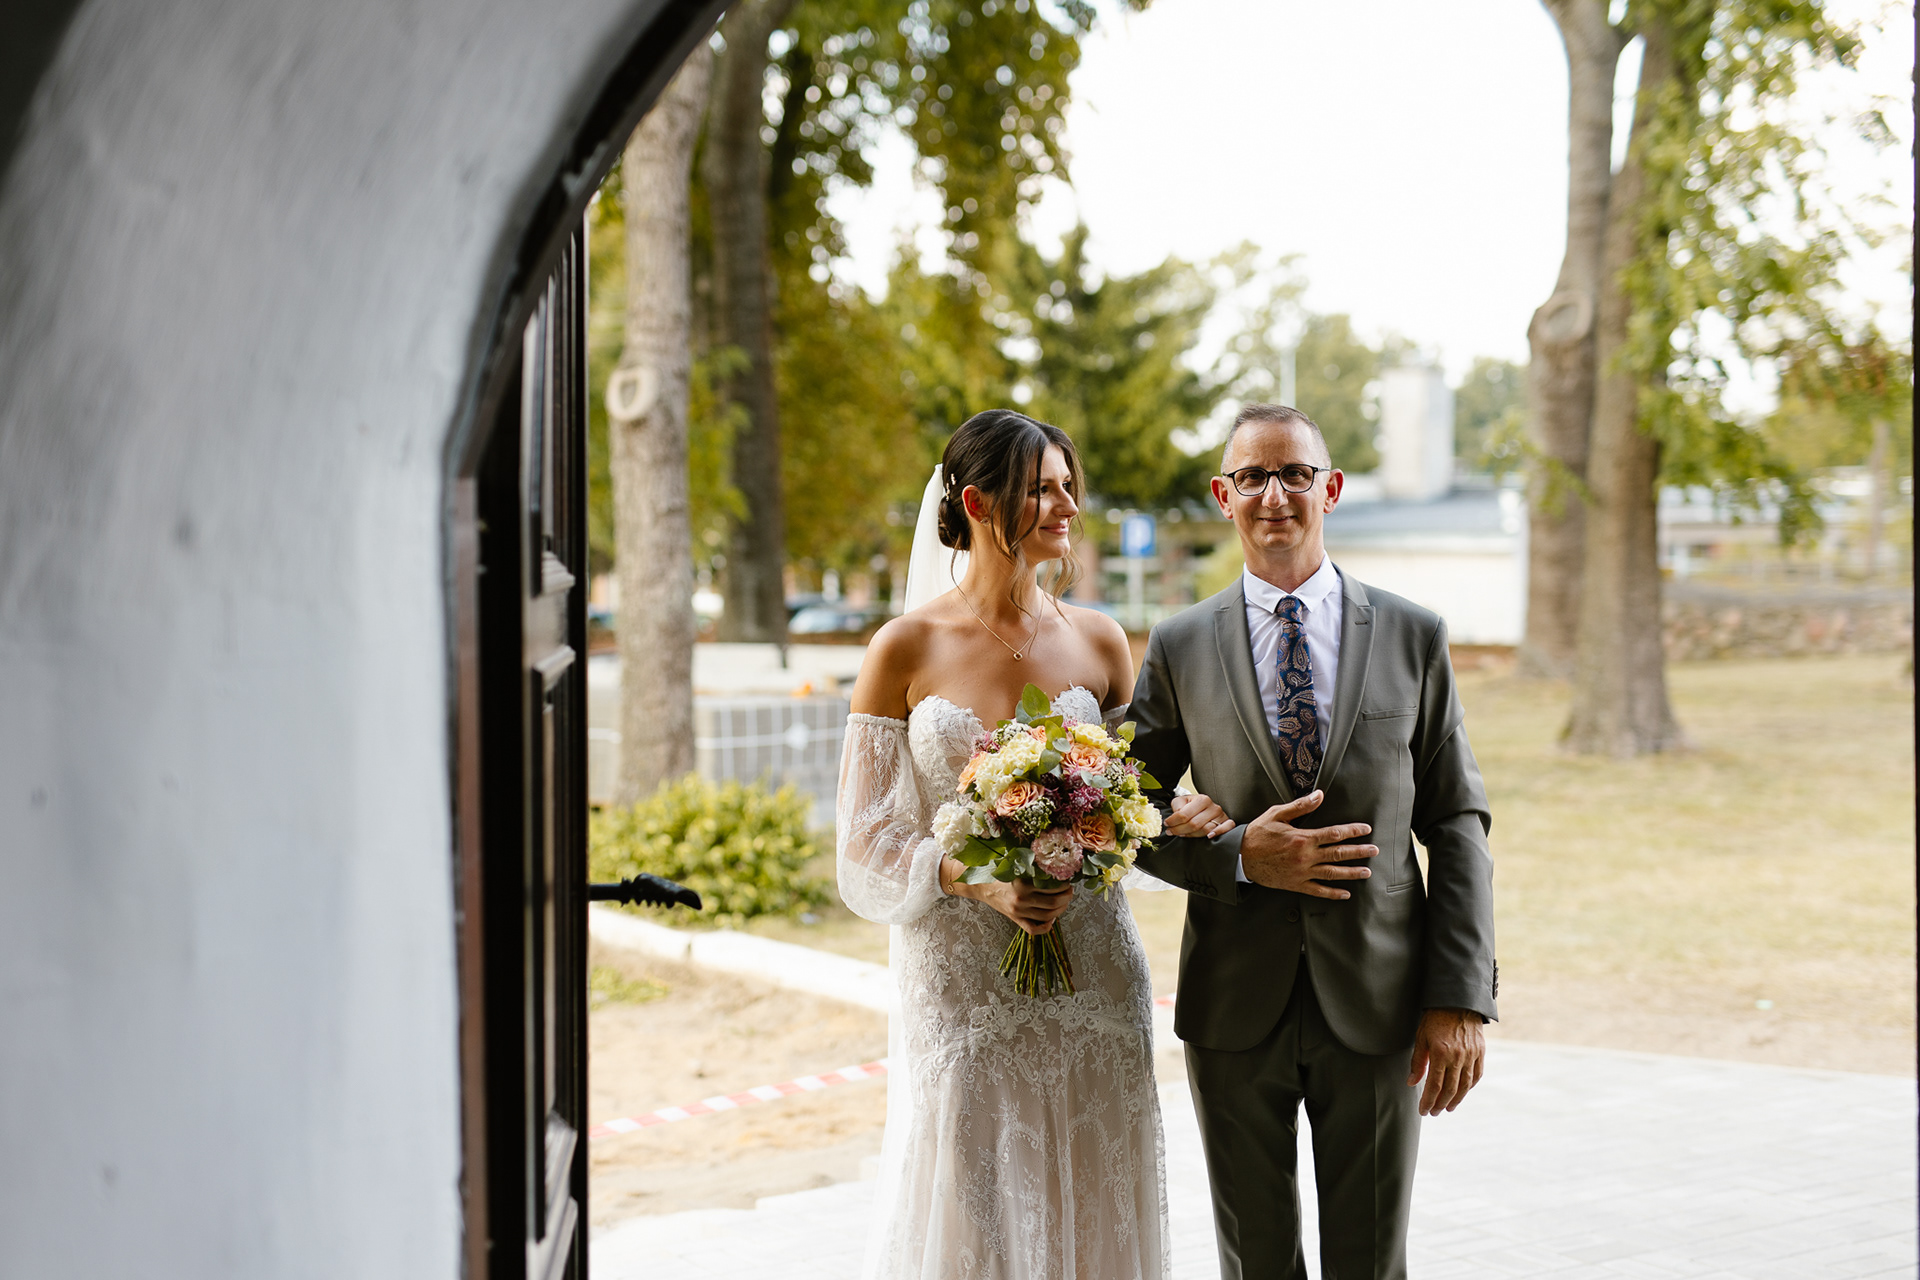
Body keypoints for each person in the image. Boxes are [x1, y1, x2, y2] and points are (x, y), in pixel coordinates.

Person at [835, 408, 1233, 1280]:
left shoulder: (1099, 639)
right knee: (975, 1199)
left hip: (1094, 972)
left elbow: (1134, 793)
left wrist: (1184, 814)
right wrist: (975, 880)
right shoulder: (902, 648)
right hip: (964, 985)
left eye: (1066, 487)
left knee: (1096, 1188)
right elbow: (865, 840)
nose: (1066, 506)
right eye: (1041, 490)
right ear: (978, 504)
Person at [1128, 402, 1498, 1280]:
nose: (1274, 495)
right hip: (1233, 1007)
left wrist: (1459, 997)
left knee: (1370, 1262)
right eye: (1252, 476)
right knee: (1255, 1264)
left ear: (1329, 489)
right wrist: (1237, 858)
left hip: (1379, 1003)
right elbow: (1125, 811)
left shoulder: (1412, 634)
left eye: (1294, 473)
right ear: (1223, 494)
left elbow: (1457, 821)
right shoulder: (1180, 644)